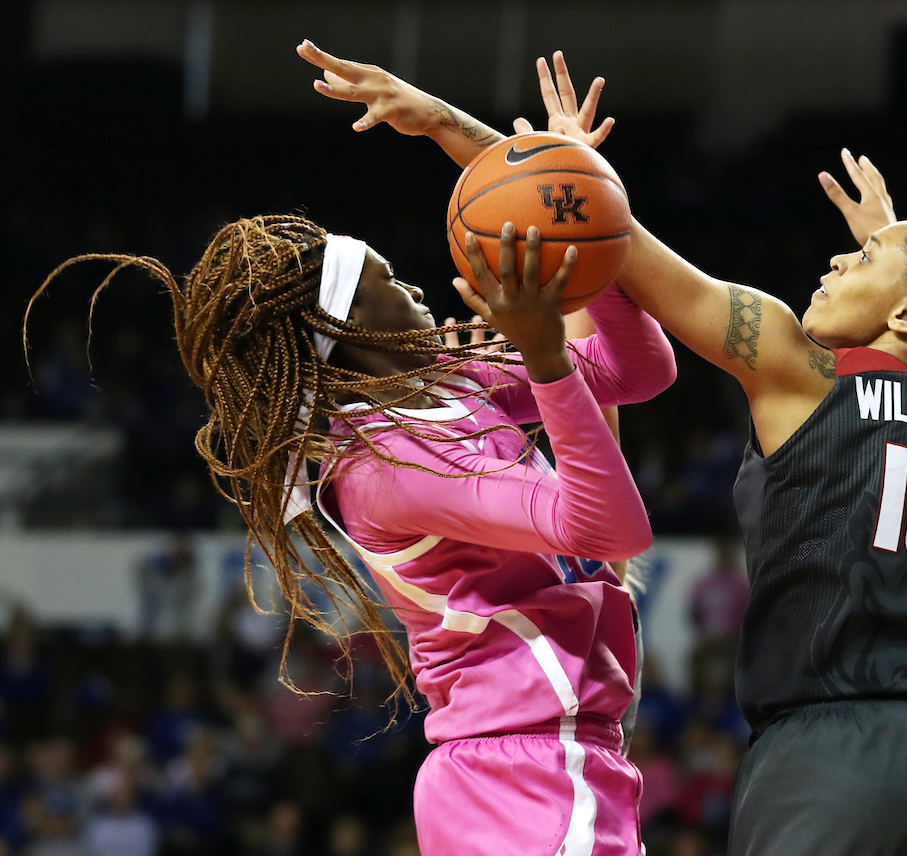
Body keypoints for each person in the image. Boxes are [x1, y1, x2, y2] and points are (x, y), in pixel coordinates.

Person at [305, 43, 907, 853]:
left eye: (861, 258)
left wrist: (455, 128)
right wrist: (898, 259)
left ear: (906, 315)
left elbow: (600, 227)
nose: (838, 257)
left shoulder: (799, 367)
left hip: (833, 750)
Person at [27, 65, 676, 854]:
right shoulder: (384, 468)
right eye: (392, 281)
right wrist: (544, 360)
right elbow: (612, 529)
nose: (419, 291)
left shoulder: (447, 385)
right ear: (355, 333)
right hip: (522, 772)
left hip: (553, 759)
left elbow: (640, 371)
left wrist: (578, 215)